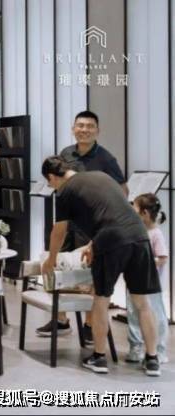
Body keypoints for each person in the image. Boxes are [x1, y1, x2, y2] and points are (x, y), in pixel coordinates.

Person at [41, 156, 161, 376]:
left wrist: (50, 260)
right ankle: (153, 360)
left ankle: (99, 357)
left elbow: (59, 231)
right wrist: (93, 243)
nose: (52, 187)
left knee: (101, 300)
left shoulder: (65, 192)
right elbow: (112, 212)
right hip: (139, 236)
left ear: (51, 177)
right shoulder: (101, 176)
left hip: (111, 241)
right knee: (143, 304)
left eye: (50, 184)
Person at [38, 110, 128, 340]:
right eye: (80, 125)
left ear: (97, 130)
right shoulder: (66, 154)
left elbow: (122, 190)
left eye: (89, 126)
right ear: (73, 129)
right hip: (67, 221)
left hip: (91, 227)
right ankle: (60, 319)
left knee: (90, 274)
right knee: (58, 266)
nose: (84, 130)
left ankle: (89, 324)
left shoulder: (106, 159)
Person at [126, 193, 169, 364]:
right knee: (133, 314)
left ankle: (159, 350)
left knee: (155, 316)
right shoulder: (136, 231)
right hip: (134, 281)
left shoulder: (156, 234)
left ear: (144, 213)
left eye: (134, 208)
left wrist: (145, 264)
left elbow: (162, 258)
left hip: (151, 285)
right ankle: (135, 347)